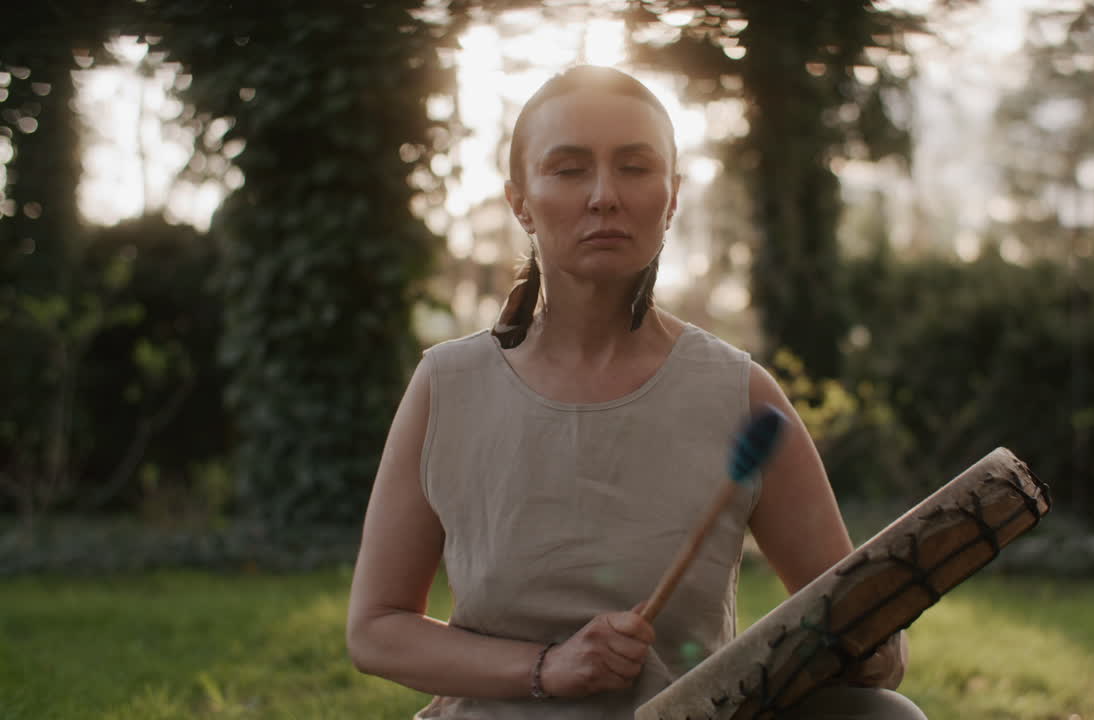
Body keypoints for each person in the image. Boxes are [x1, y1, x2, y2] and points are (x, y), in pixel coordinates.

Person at [346, 65, 926, 720]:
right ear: (520, 201)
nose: (604, 196)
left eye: (634, 167)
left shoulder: (741, 395)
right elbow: (376, 628)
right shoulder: (446, 386)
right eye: (568, 169)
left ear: (672, 196)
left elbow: (860, 628)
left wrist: (871, 643)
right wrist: (545, 669)